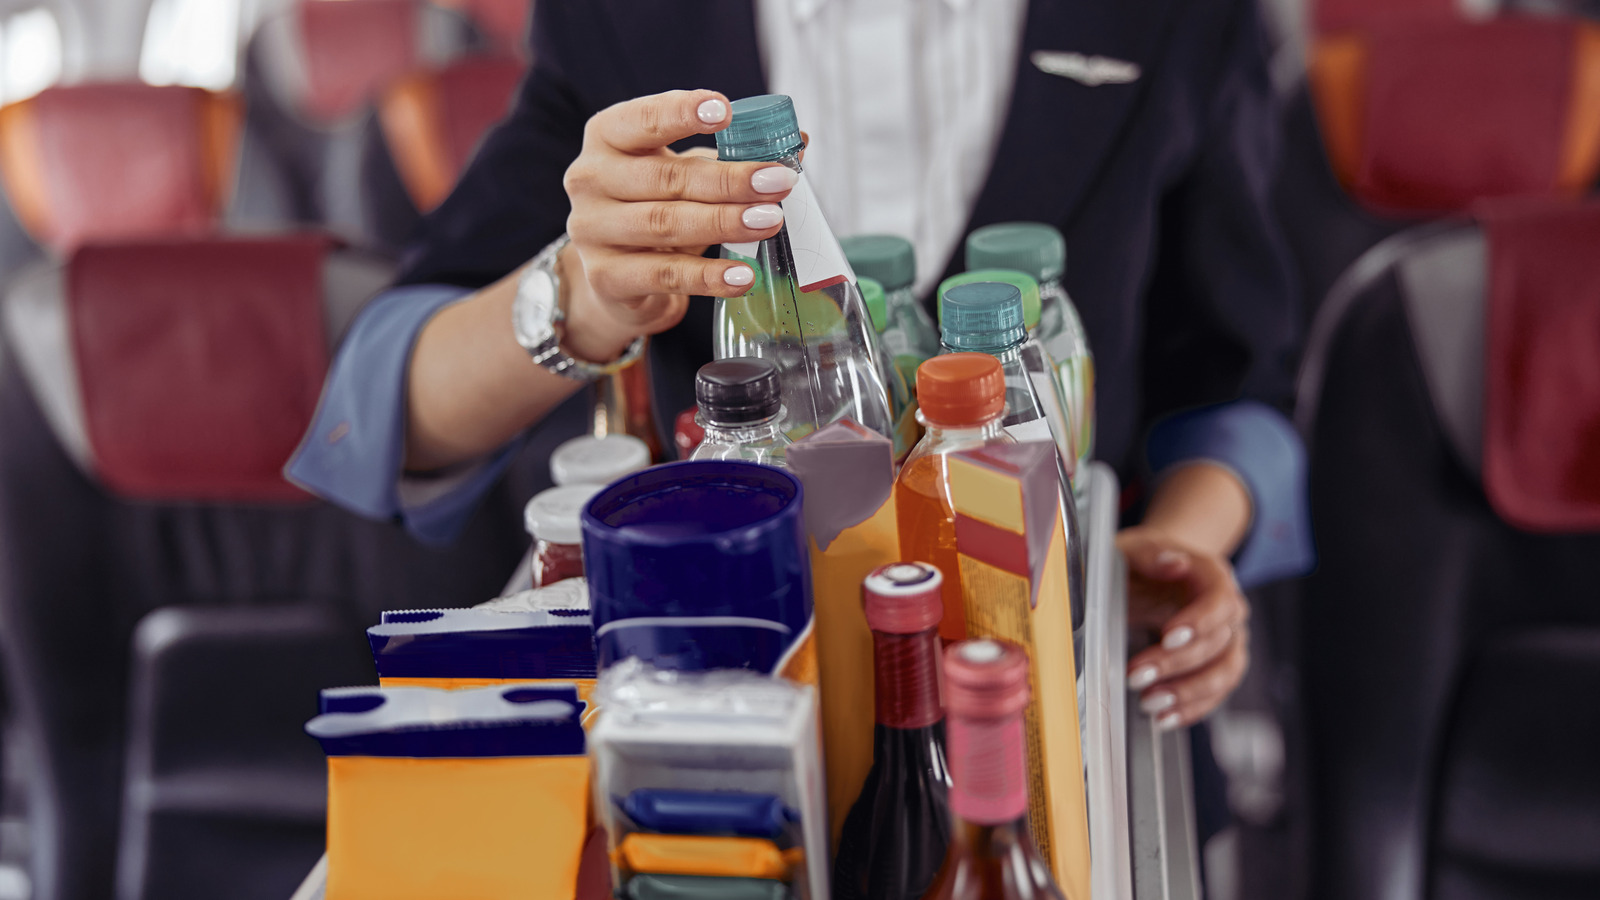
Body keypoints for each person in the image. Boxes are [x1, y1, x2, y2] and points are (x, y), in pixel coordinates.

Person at [288, 0, 1311, 742]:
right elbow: (391, 404)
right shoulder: (629, 18)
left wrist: (1177, 545)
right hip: (726, 683)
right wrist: (583, 295)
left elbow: (1240, 387)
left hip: (1064, 670)